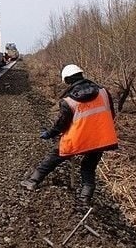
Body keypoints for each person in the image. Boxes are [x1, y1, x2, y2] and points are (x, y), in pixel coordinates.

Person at [20, 64, 118, 205]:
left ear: (66, 80)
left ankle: (32, 181)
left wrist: (49, 133)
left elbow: (61, 125)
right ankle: (85, 198)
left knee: (54, 157)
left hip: (77, 139)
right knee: (88, 167)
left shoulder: (68, 101)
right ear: (81, 75)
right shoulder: (104, 92)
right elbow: (111, 114)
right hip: (101, 138)